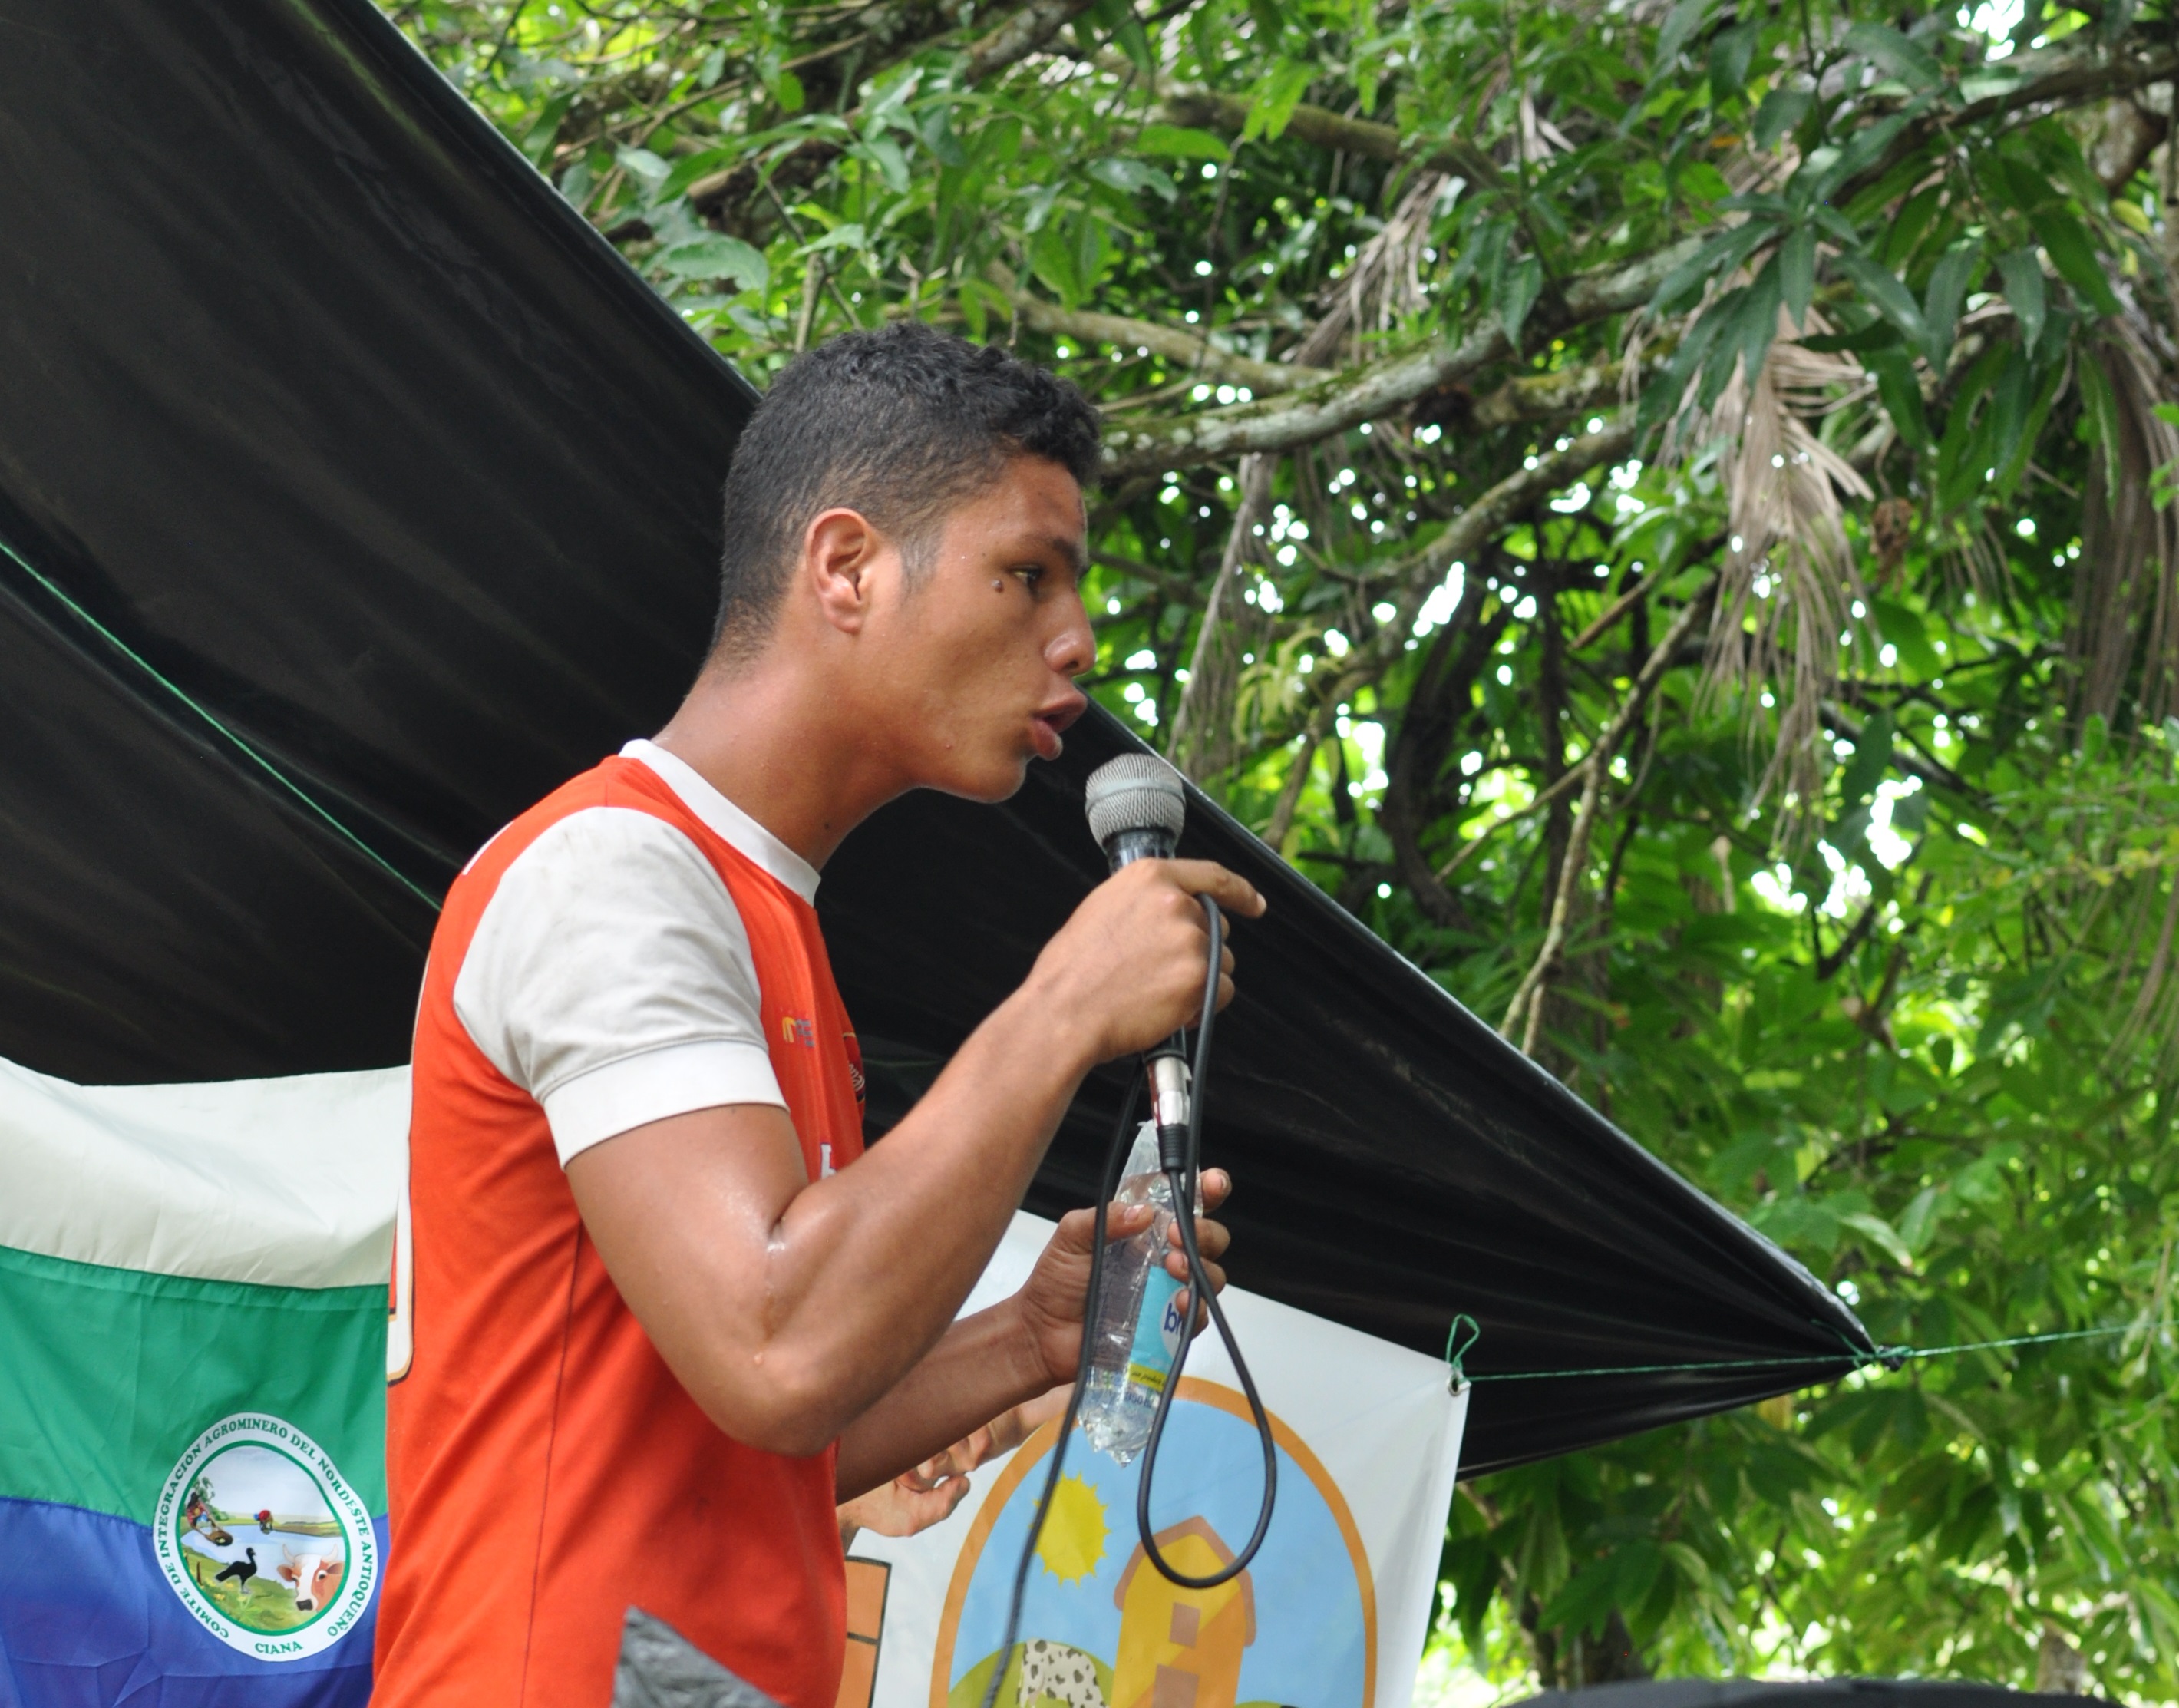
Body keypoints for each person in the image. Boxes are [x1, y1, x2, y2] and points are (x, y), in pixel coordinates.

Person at [373, 323, 1263, 1708]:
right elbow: (774, 1351)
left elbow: (753, 1444)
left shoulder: (761, 917)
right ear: (846, 567)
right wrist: (1059, 1009)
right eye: (1026, 576)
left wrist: (1026, 1340)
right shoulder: (617, 875)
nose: (1078, 640)